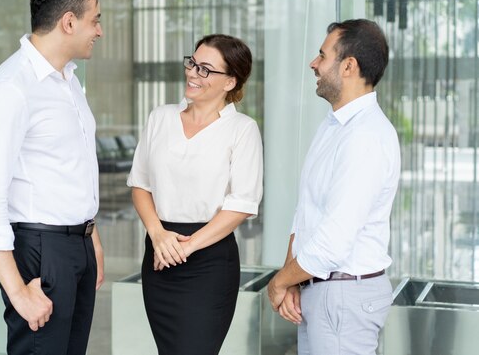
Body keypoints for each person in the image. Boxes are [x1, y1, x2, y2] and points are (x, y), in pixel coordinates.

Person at [0, 0, 104, 355]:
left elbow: (69, 166)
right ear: (69, 21)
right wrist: (17, 292)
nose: (100, 30)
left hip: (76, 244)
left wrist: (91, 237)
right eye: (95, 20)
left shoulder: (69, 80)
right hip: (40, 249)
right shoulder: (12, 88)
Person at [266, 19, 401, 355]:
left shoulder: (365, 137)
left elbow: (333, 242)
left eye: (322, 55)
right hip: (323, 290)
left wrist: (280, 282)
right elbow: (307, 212)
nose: (314, 63)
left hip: (343, 296)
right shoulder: (334, 126)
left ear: (348, 66)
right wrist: (294, 277)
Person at [127, 34, 263, 355]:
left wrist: (186, 247)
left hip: (209, 260)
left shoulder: (242, 129)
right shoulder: (160, 117)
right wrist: (158, 235)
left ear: (230, 82)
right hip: (160, 253)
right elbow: (140, 184)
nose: (192, 73)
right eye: (192, 63)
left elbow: (241, 204)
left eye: (205, 69)